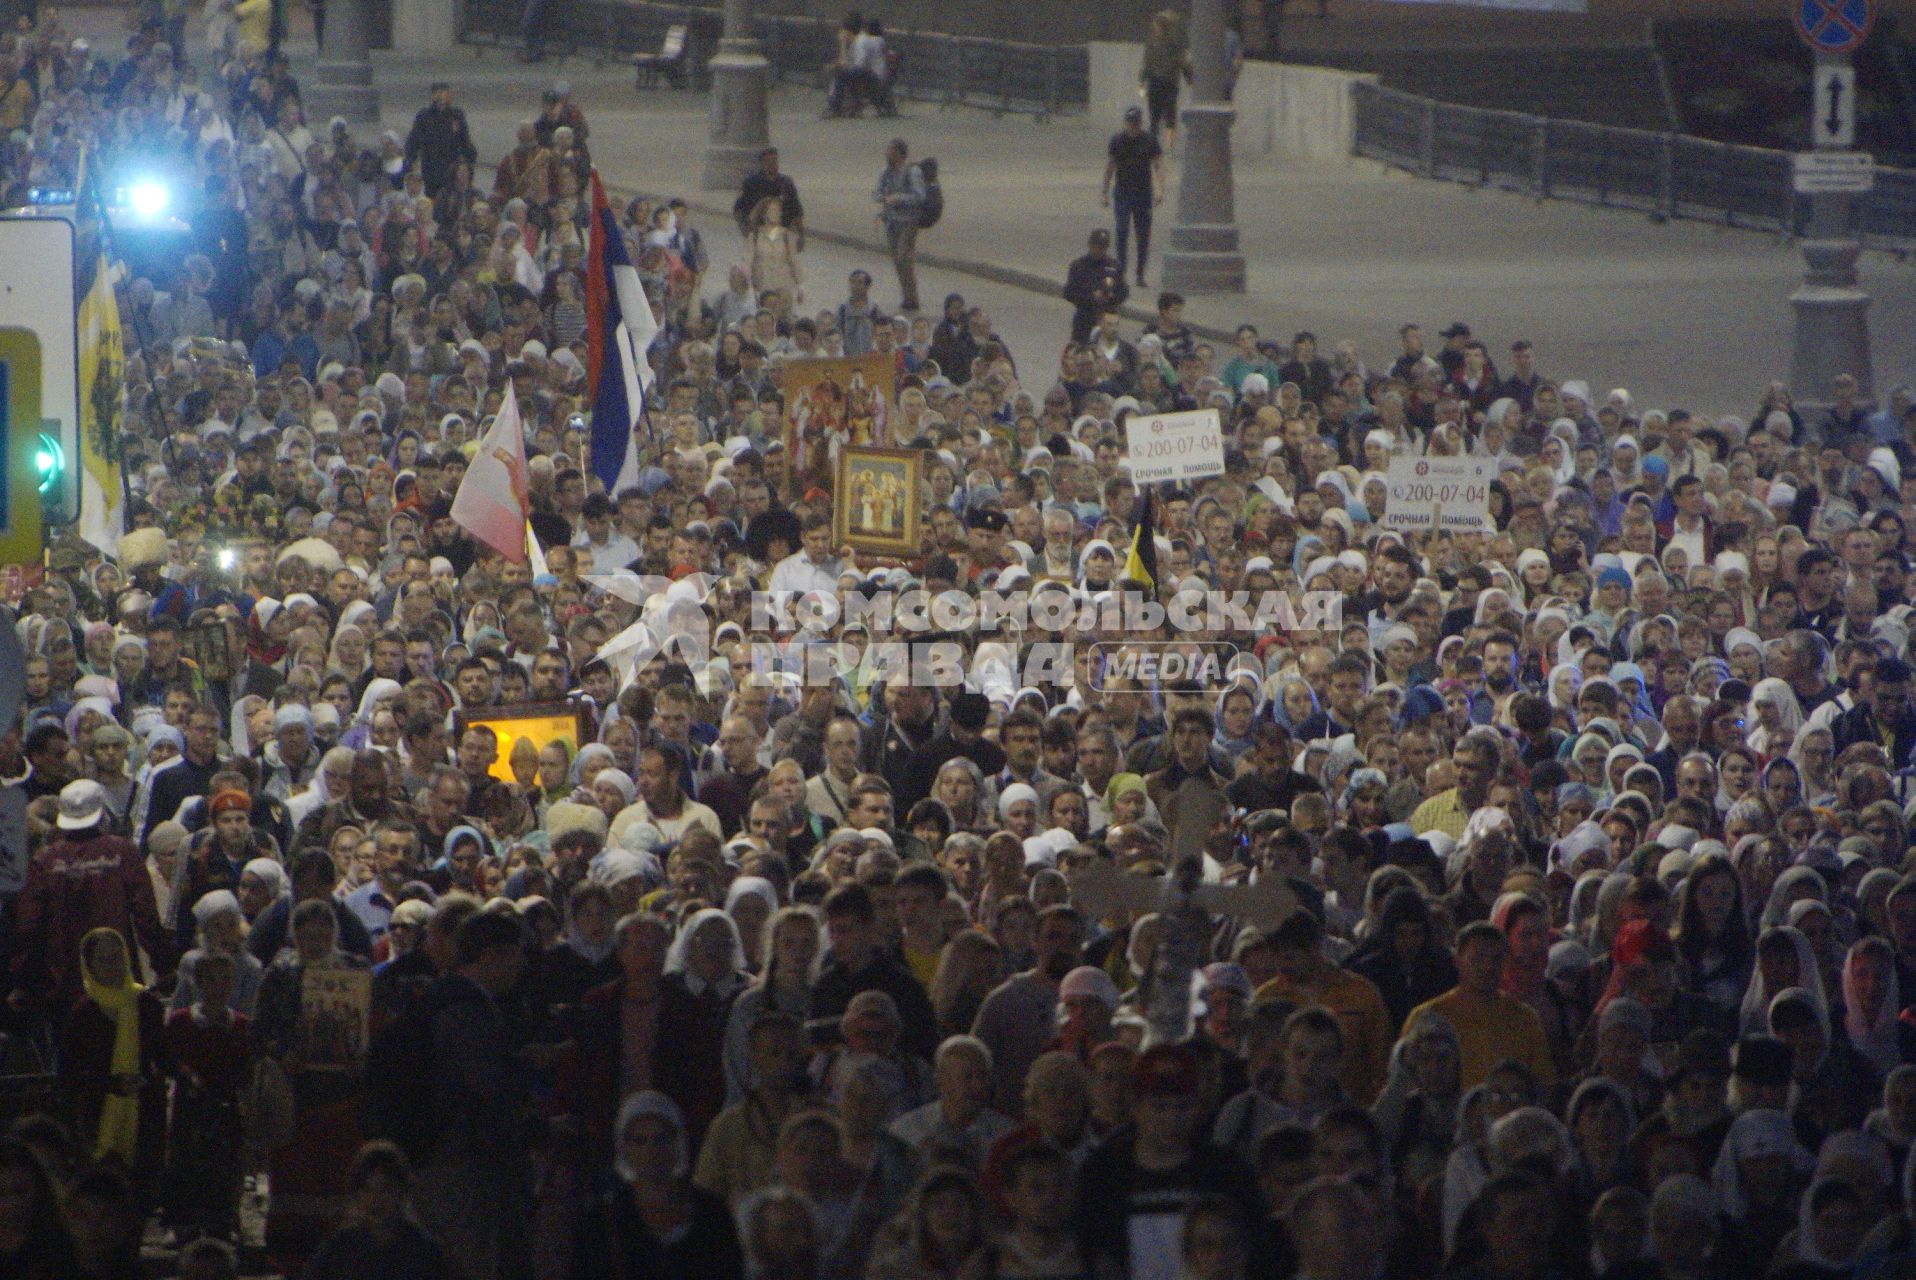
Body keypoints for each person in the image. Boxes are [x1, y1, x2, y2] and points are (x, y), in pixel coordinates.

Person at [1103, 104, 1165, 287]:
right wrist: (1104, 192)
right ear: (1125, 123)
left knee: (1143, 234)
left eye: (1136, 123)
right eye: (1130, 123)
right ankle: (1121, 271)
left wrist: (1160, 189)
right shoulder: (1117, 140)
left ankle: (1140, 274)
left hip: (1143, 192)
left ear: (1141, 123)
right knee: (1122, 230)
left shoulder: (1149, 140)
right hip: (1122, 191)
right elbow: (1110, 167)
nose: (1133, 127)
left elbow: (1158, 164)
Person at [873, 138, 926, 313]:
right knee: (897, 259)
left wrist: (899, 197)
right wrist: (883, 197)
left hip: (908, 221)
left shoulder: (912, 172)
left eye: (891, 150)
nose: (887, 154)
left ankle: (913, 297)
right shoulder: (886, 172)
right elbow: (876, 192)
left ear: (900, 154)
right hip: (891, 221)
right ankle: (906, 297)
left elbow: (919, 196)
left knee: (905, 257)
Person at [1064, 229, 1130, 346]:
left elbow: (1123, 291)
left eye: (1103, 247)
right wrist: (1091, 297)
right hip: (1084, 319)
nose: (1099, 250)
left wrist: (1111, 298)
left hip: (1107, 320)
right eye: (1096, 246)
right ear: (1090, 245)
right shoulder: (1079, 266)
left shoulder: (1114, 266)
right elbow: (1069, 292)